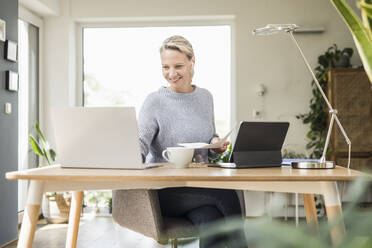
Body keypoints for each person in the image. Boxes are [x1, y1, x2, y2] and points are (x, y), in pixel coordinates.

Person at [138, 35, 246, 248]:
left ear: (192, 62)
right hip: (166, 191)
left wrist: (216, 144)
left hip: (201, 187)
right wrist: (128, 157)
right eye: (165, 67)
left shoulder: (205, 97)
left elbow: (209, 138)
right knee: (226, 195)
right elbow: (140, 141)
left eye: (178, 66)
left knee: (210, 219)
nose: (171, 74)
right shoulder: (155, 101)